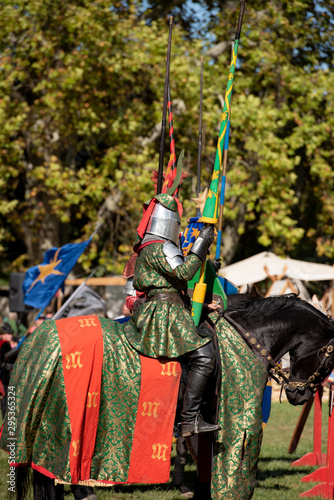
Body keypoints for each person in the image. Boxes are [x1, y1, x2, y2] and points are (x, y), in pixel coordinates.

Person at [123, 193, 221, 436]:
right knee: (205, 356)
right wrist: (202, 242)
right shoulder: (160, 247)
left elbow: (170, 285)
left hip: (168, 305)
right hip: (164, 312)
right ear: (170, 223)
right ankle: (189, 420)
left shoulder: (148, 247)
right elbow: (186, 272)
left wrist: (203, 306)